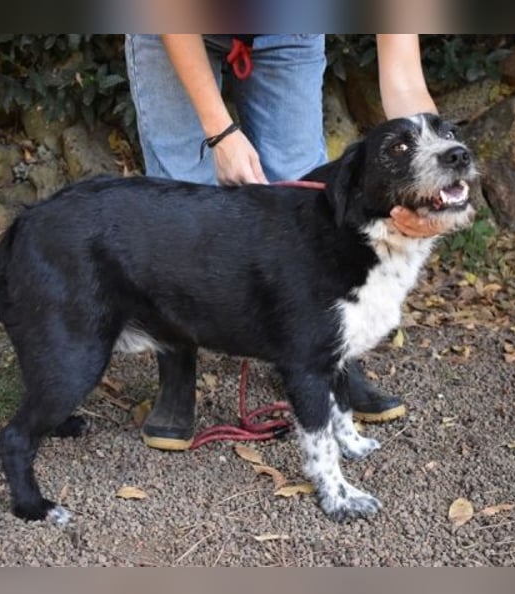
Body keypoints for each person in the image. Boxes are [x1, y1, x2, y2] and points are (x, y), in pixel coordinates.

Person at [125, 34, 439, 450]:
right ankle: (176, 364)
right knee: (180, 201)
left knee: (308, 194)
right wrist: (219, 133)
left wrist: (429, 180)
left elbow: (404, 78)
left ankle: (324, 355)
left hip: (288, 29)